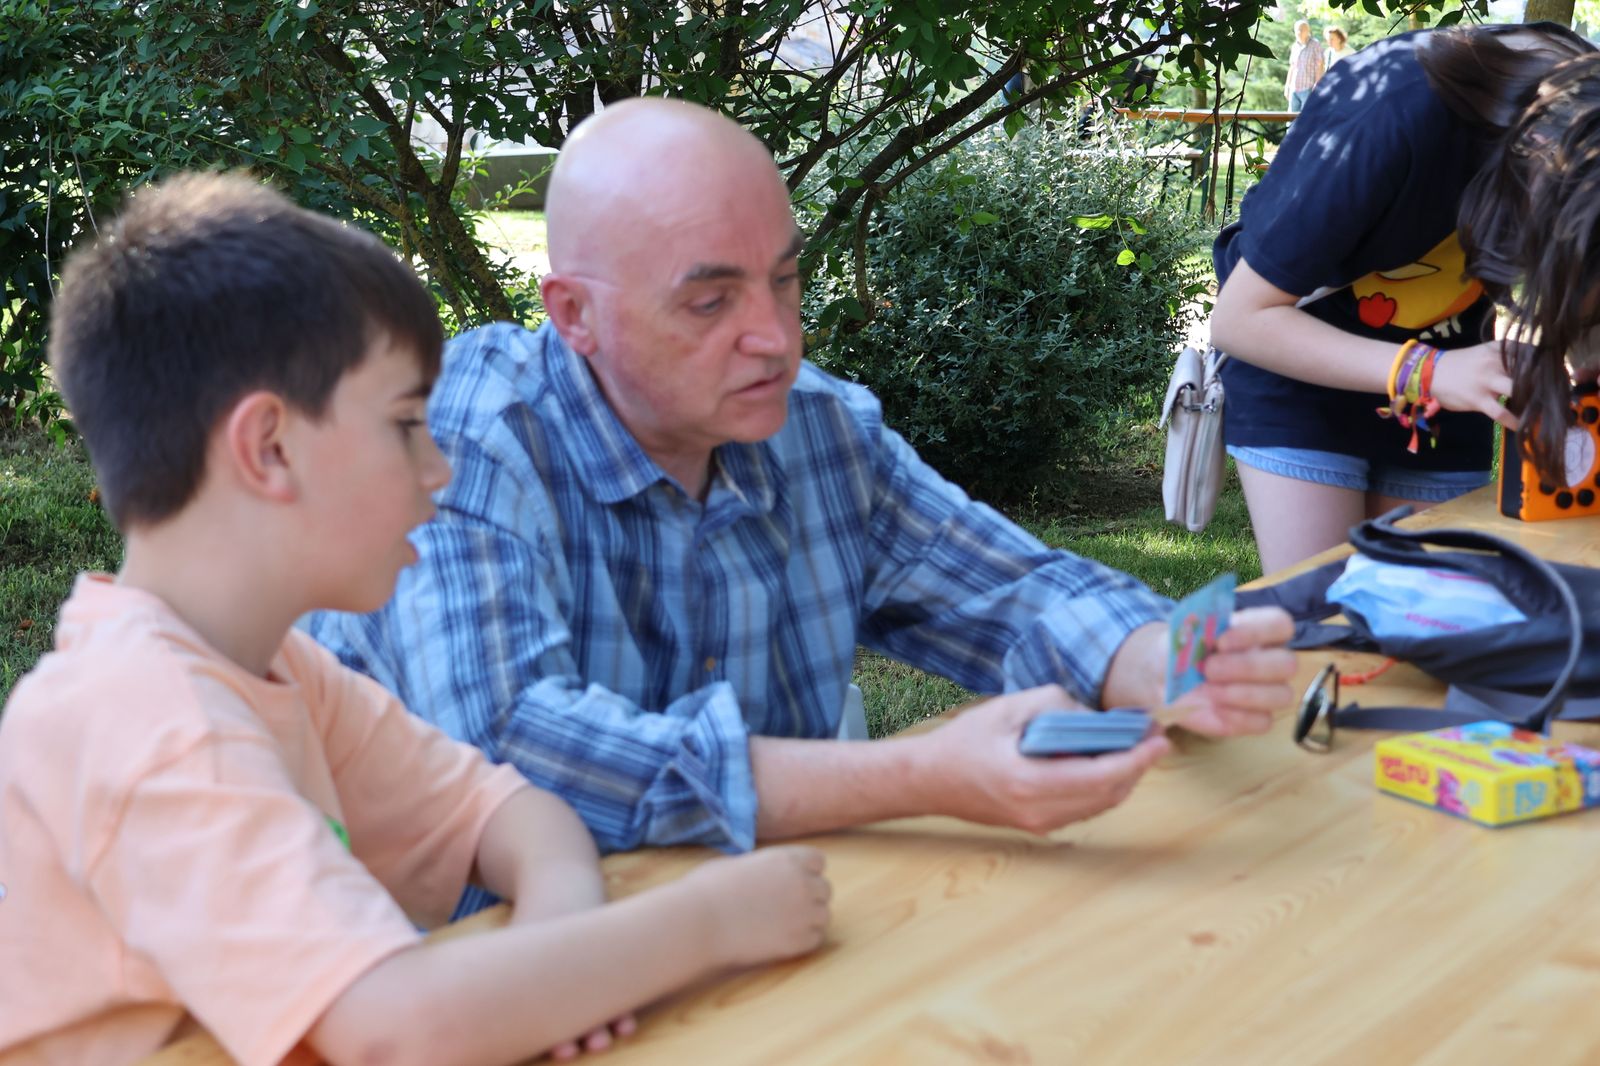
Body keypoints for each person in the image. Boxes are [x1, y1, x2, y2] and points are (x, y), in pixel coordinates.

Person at [308, 98, 1297, 883]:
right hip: (462, 964)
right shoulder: (465, 441)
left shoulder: (814, 428)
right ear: (574, 314)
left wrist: (1147, 656)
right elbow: (514, 753)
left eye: (783, 280)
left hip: (756, 924)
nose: (775, 338)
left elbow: (1009, 587)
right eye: (710, 301)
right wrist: (916, 774)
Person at [0, 172, 832, 1066]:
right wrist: (708, 922)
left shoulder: (274, 668)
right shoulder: (150, 722)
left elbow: (514, 813)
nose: (440, 469)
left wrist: (559, 956)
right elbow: (395, 1029)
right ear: (269, 448)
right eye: (406, 424)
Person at [1210, 23, 1600, 573]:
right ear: (1535, 151)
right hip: (1304, 372)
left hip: (1447, 392)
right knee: (1325, 609)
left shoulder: (1580, 109)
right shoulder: (1391, 110)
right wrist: (1429, 372)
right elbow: (1239, 320)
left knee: (1425, 612)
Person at [1285, 20, 1327, 112]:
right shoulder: (1295, 46)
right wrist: (1287, 86)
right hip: (1294, 88)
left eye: (1302, 29)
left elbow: (1320, 66)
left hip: (1308, 88)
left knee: (1306, 117)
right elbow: (1292, 67)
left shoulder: (1315, 44)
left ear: (1308, 31)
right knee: (1290, 118)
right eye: (1297, 30)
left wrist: (1318, 85)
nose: (1299, 32)